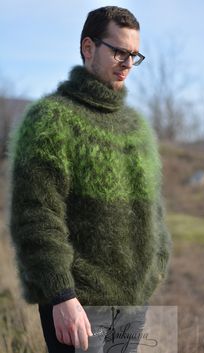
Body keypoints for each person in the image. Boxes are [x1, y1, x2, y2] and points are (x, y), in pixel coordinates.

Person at [8, 5, 171, 353]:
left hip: (132, 306)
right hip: (79, 306)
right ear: (88, 48)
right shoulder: (51, 119)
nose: (128, 63)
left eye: (134, 55)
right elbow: (36, 216)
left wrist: (156, 268)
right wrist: (61, 295)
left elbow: (154, 211)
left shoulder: (137, 127)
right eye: (119, 52)